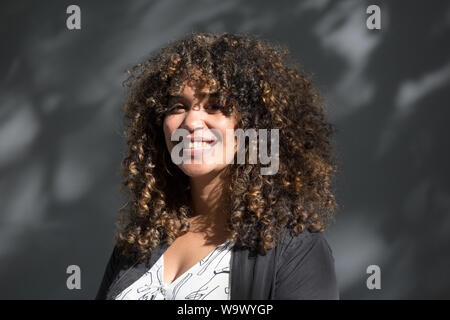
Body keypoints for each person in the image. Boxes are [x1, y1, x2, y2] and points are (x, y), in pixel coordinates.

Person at [95, 32, 339, 300]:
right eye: (178, 106)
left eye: (215, 106)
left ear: (254, 126)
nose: (191, 122)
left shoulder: (295, 249)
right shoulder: (139, 243)